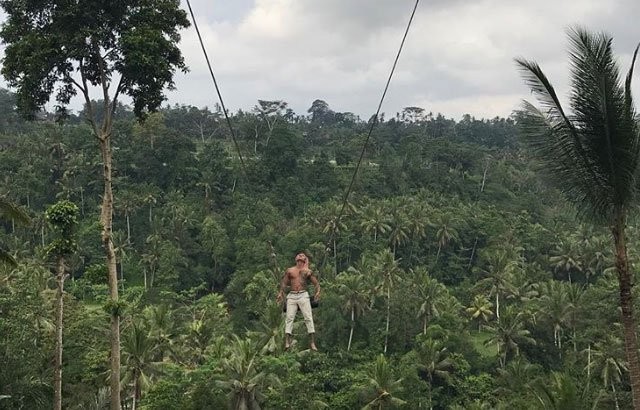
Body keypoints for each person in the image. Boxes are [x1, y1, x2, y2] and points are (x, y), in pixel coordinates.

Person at [276, 252, 320, 351]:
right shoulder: (290, 271)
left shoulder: (307, 272)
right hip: (292, 295)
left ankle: (312, 342)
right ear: (296, 260)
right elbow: (284, 283)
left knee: (308, 317)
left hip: (303, 295)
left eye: (302, 258)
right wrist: (280, 293)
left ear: (304, 261)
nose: (300, 259)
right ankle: (287, 341)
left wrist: (318, 292)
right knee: (289, 318)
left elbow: (316, 283)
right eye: (299, 257)